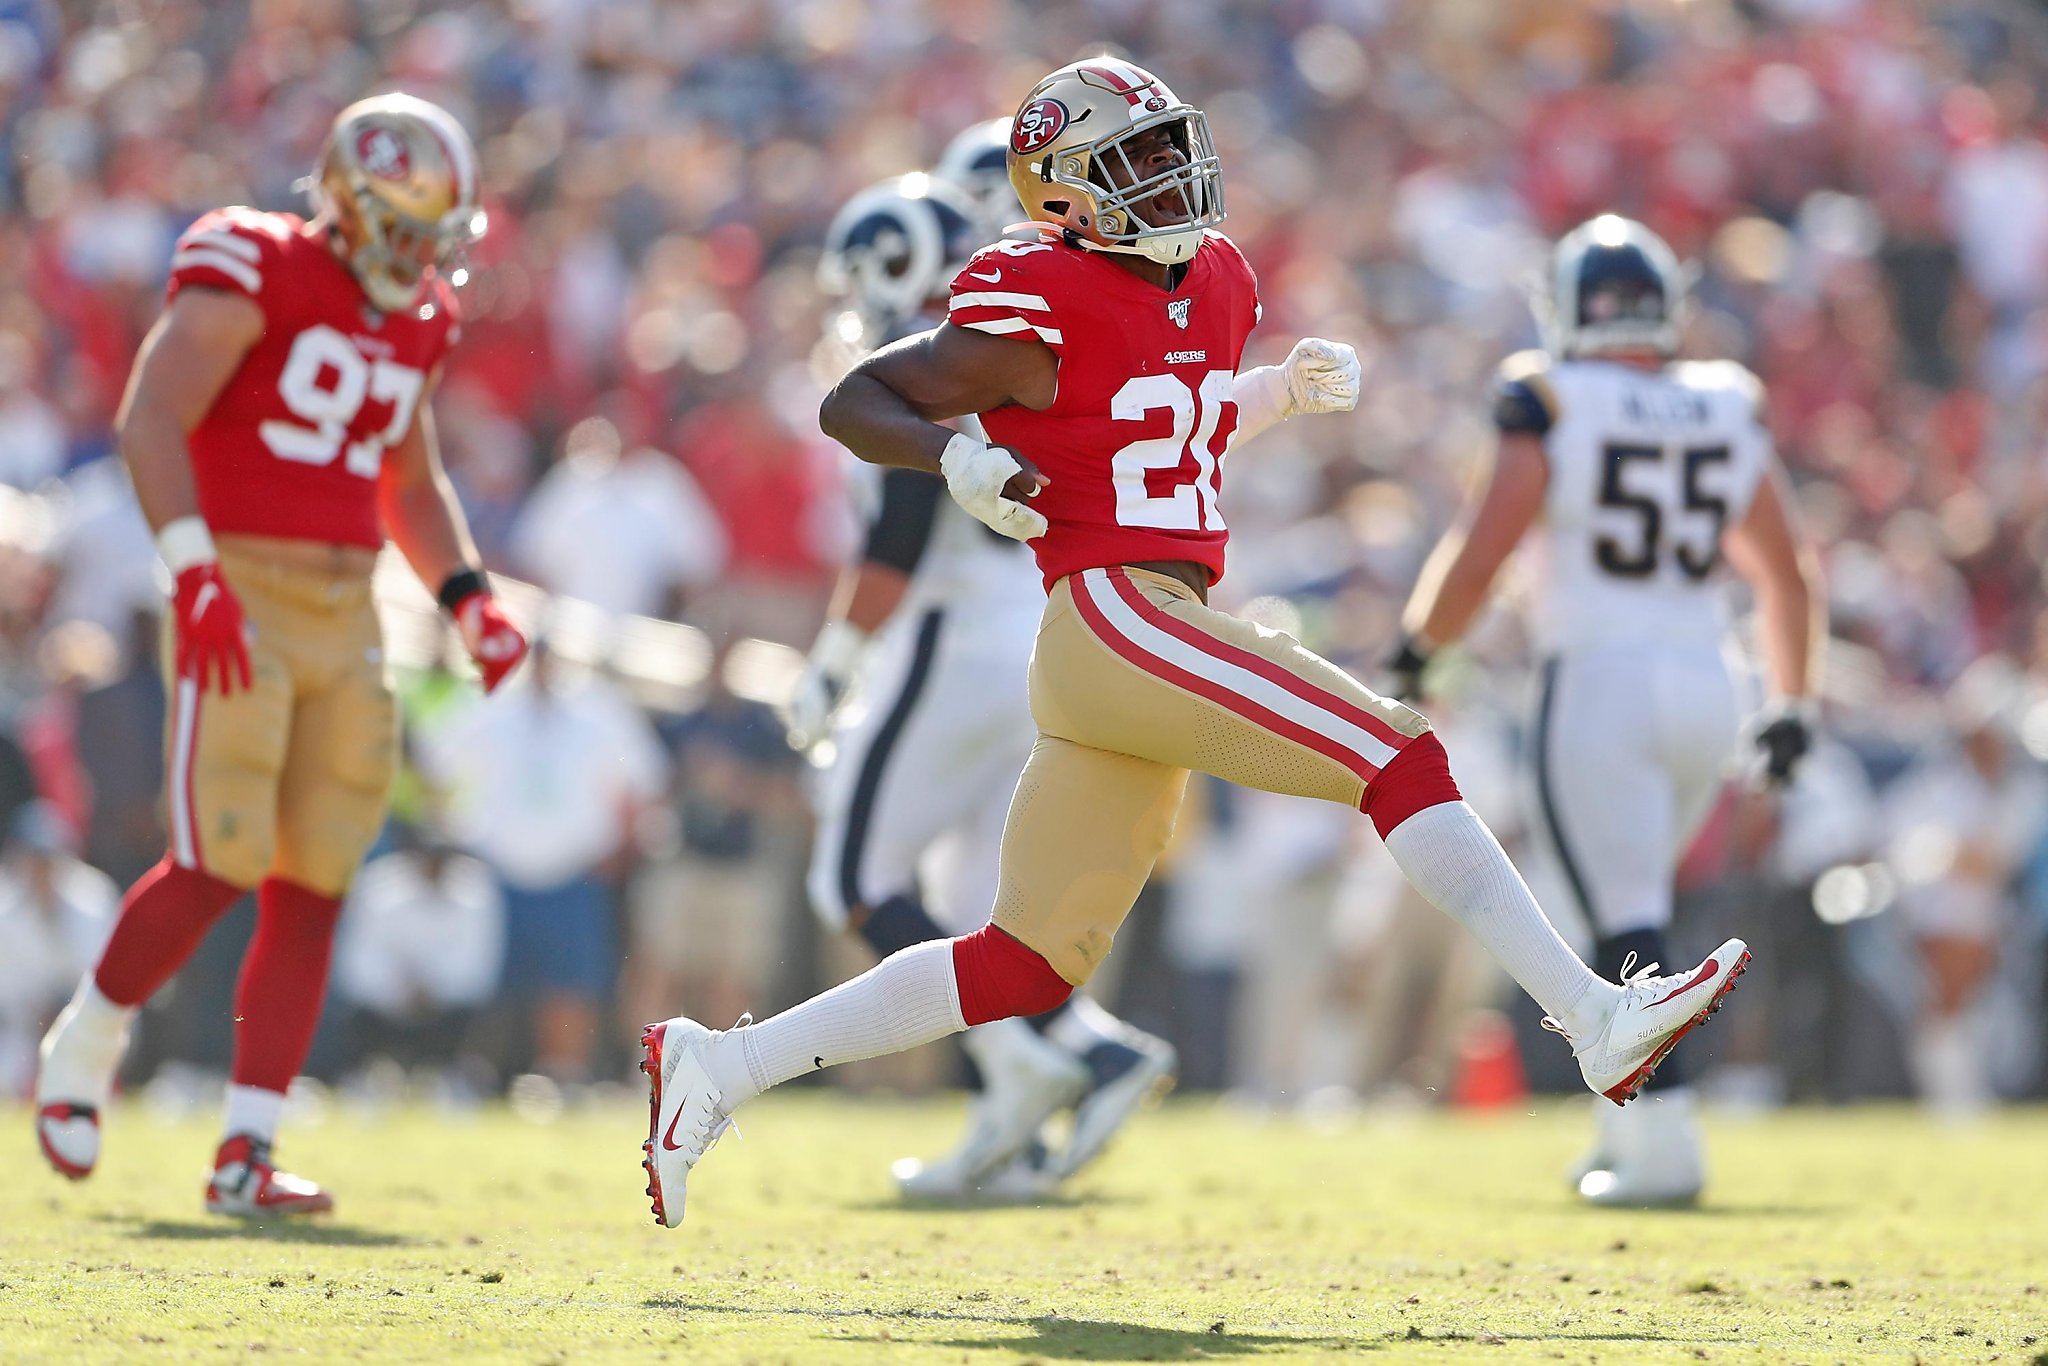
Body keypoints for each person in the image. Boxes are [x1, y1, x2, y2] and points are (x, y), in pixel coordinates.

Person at [638, 59, 1748, 1228]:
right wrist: (955, 456)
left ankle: (720, 1067)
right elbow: (857, 399)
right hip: (1117, 617)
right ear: (1066, 194)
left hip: (1131, 634)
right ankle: (1593, 1017)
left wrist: (1273, 391)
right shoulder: (1033, 295)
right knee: (1397, 752)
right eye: (1139, 157)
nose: (1172, 171)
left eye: (1171, 146)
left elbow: (1169, 427)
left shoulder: (1211, 278)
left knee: (1023, 962)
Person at [34, 94, 530, 1217]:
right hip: (237, 582)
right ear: (351, 207)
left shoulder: (420, 318)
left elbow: (407, 476)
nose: (423, 260)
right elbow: (149, 417)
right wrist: (194, 569)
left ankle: (246, 1153)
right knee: (220, 856)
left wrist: (466, 595)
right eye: (408, 232)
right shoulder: (251, 262)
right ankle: (87, 1041)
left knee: (319, 876)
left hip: (348, 601)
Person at [1390, 215, 1823, 1205]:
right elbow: (1785, 575)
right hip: (1707, 682)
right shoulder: (1721, 401)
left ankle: (1664, 1139)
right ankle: (1619, 1128)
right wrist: (1791, 700)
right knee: (1627, 909)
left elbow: (1483, 540)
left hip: (1595, 678)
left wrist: (1419, 648)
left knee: (1620, 916)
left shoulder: (1549, 395)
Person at [792, 167, 1175, 1201]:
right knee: (979, 908)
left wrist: (833, 662)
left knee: (852, 877)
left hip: (951, 640)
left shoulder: (935, 357)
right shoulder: (1013, 330)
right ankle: (1083, 1056)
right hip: (1040, 635)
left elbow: (901, 529)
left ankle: (1018, 1067)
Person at [0, 803, 115, 1095]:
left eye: (47, 861)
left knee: (89, 1078)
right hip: (24, 1028)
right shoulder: (5, 908)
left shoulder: (93, 899)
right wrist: (38, 1009)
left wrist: (65, 1005)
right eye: (35, 861)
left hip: (86, 1021)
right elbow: (7, 989)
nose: (41, 871)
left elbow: (104, 974)